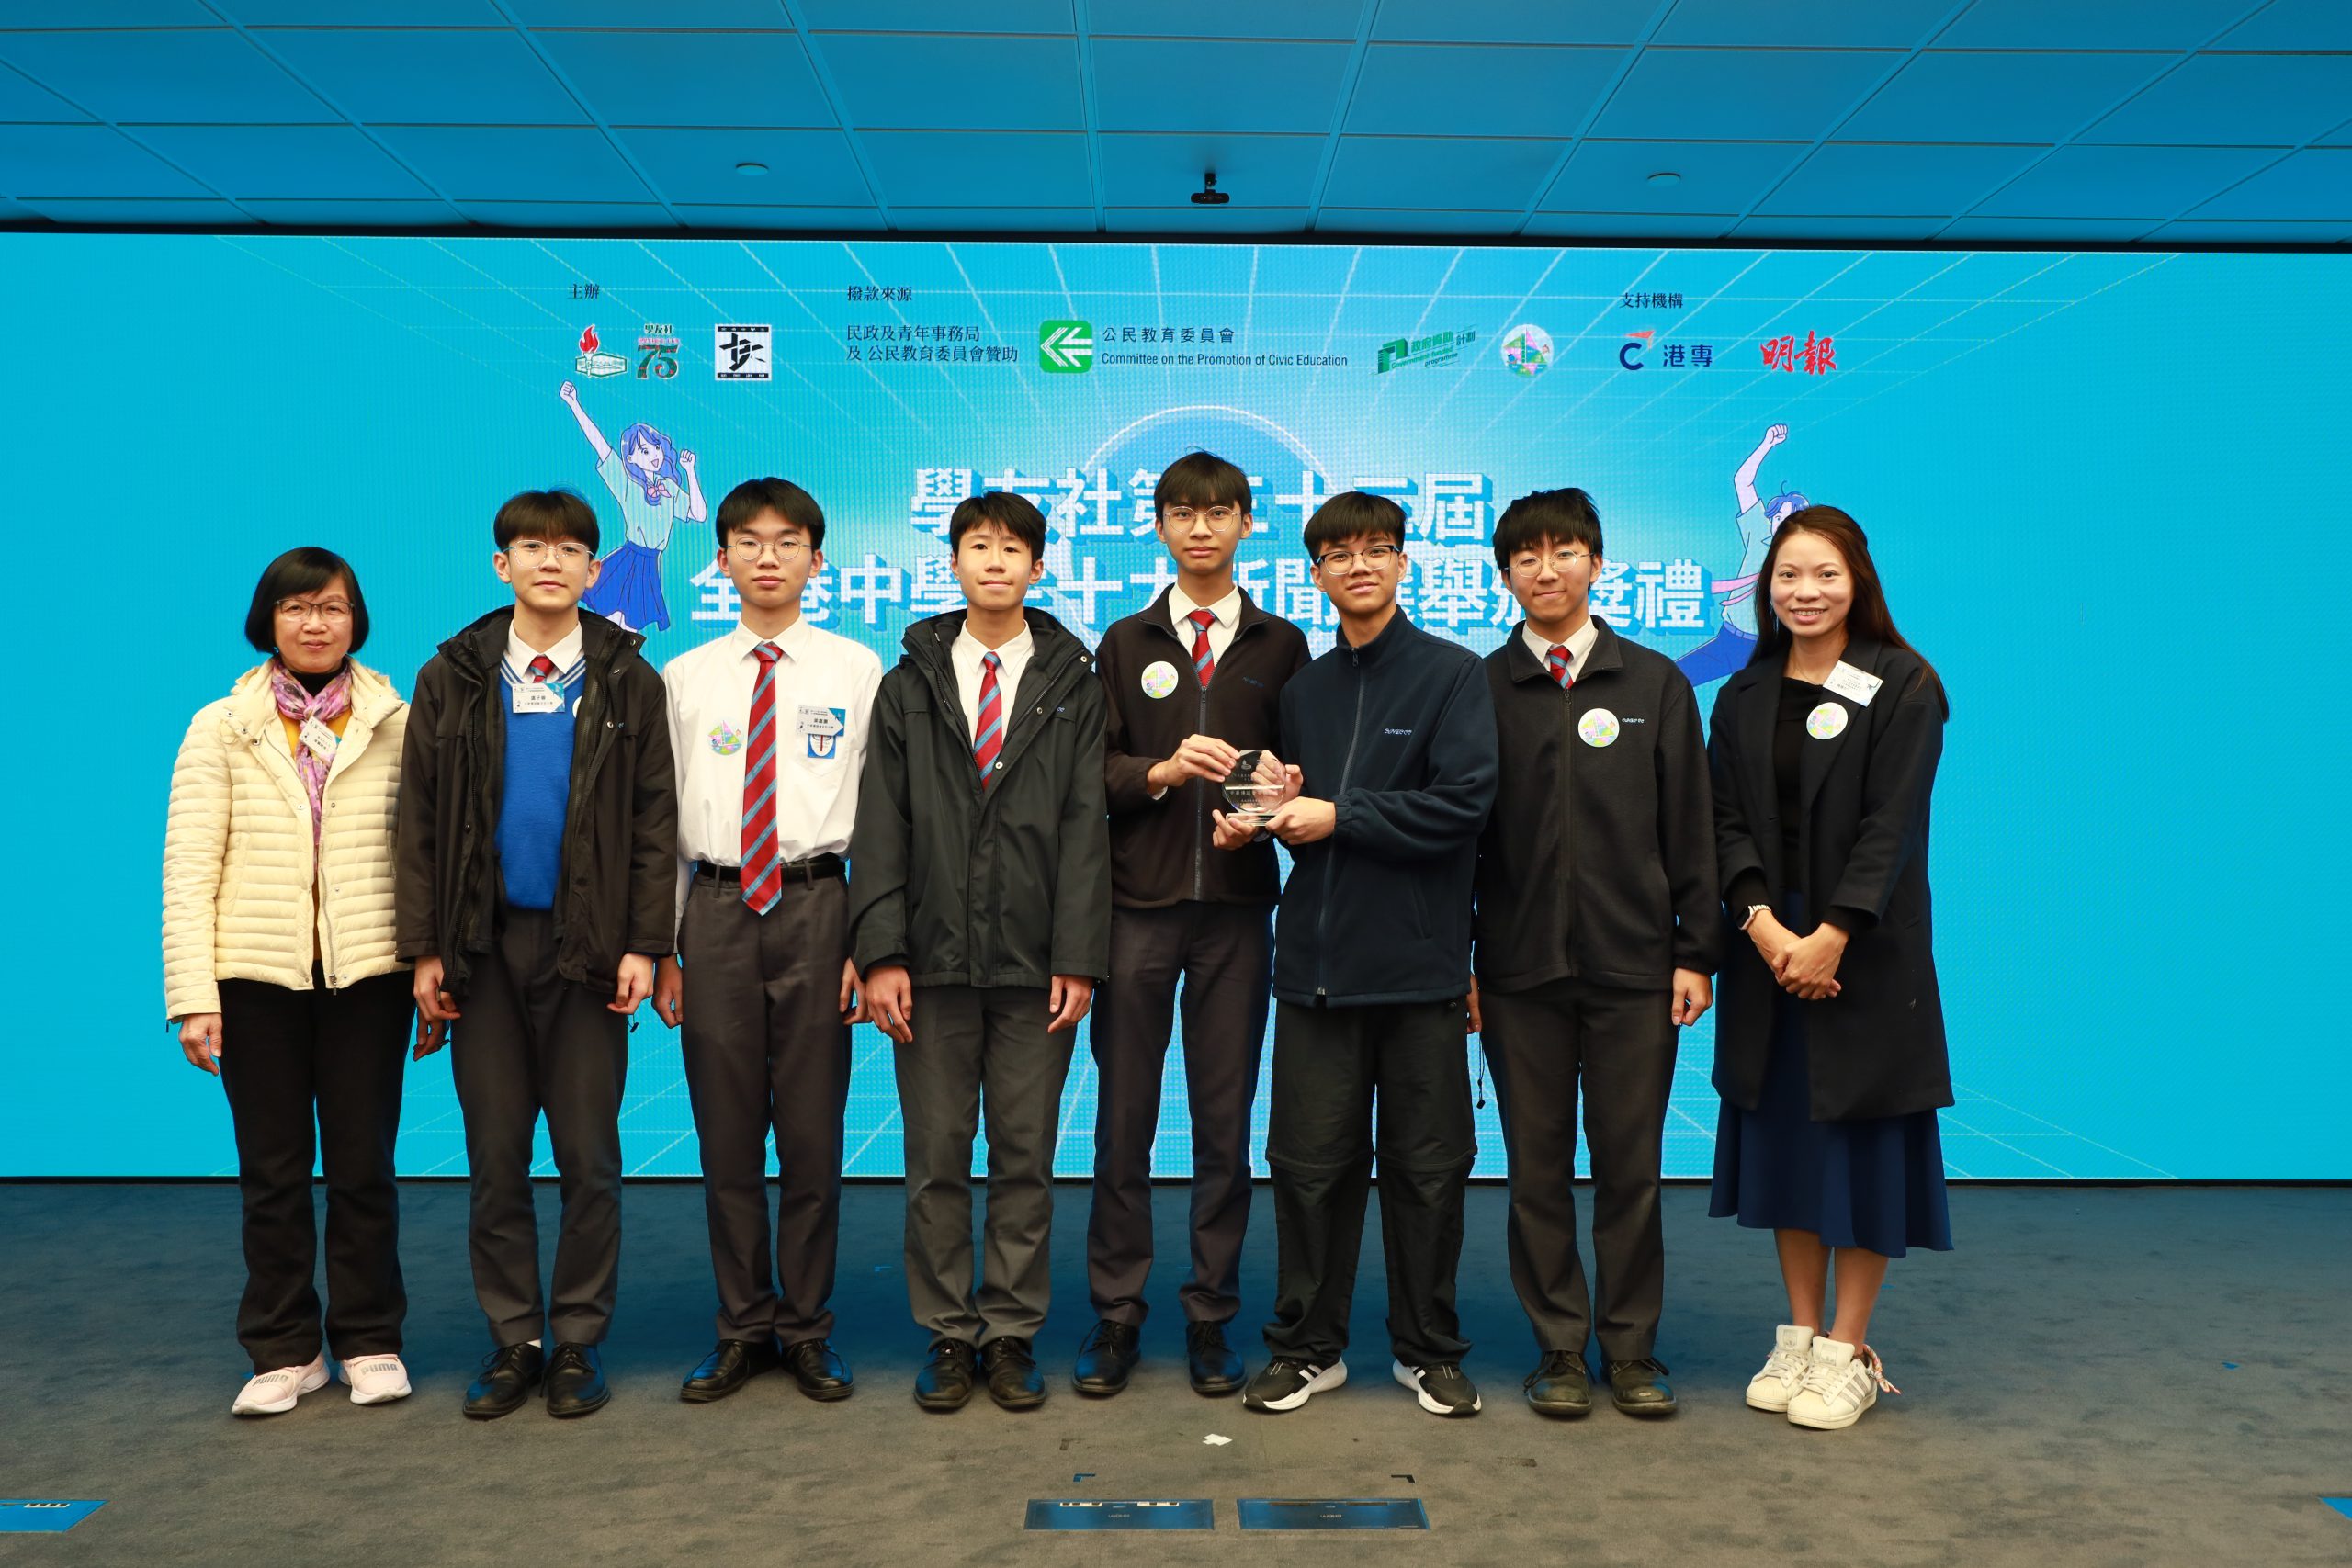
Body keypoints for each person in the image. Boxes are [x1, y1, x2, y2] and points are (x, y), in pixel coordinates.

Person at [1213, 491, 1498, 1419]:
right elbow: (1295, 812)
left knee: (1429, 1171)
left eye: (1377, 549)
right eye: (1339, 555)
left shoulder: (1454, 675)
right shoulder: (1305, 690)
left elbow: (1463, 805)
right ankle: (1307, 1348)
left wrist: (1340, 813)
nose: (1359, 566)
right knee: (1307, 1169)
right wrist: (1259, 818)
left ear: (1404, 563)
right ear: (1317, 574)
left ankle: (1428, 1351)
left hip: (1419, 971)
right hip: (1318, 971)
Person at [395, 489, 677, 1421]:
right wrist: (425, 950)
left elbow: (654, 825)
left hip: (589, 948)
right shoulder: (453, 676)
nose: (548, 562)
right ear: (501, 564)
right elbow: (418, 823)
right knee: (495, 1157)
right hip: (482, 949)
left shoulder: (629, 679)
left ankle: (578, 1340)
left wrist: (646, 944)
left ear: (595, 570)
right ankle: (515, 1338)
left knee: (589, 1157)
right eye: (530, 546)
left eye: (567, 550)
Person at [849, 490, 1112, 1413]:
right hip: (928, 961)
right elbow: (880, 825)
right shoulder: (909, 683)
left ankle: (1009, 1332)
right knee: (936, 1157)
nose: (995, 562)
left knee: (1025, 1156)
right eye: (978, 546)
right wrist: (882, 952)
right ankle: (948, 1334)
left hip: (1037, 964)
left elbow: (1086, 827)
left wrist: (1077, 955)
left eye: (1011, 549)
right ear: (953, 562)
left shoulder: (1073, 681)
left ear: (1038, 567)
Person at [1469, 488, 1720, 1420]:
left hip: (1636, 971)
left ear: (1597, 563)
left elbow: (1691, 828)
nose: (1547, 570)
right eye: (1527, 557)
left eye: (1565, 551)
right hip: (1516, 972)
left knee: (1630, 1168)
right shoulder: (1479, 689)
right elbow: (1460, 840)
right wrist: (1464, 961)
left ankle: (1632, 1349)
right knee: (1535, 1171)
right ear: (1504, 575)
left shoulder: (1654, 683)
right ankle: (1559, 1348)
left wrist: (1695, 953)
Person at [1705, 504, 1951, 1432]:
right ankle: (1801, 1335)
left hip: (1865, 957)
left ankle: (1849, 1349)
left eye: (1825, 574)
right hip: (1769, 956)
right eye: (1787, 575)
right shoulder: (1743, 693)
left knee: (1861, 1146)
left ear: (1858, 582)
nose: (1804, 592)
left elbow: (1893, 824)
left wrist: (1833, 933)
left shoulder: (1904, 683)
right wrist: (1764, 927)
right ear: (1765, 587)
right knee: (1788, 1147)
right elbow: (1723, 820)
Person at [1077, 451, 1310, 1399]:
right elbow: (1091, 773)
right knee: (1122, 1122)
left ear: (1248, 523)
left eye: (1219, 512)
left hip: (1238, 915)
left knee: (1224, 1124)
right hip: (1136, 910)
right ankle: (1116, 1314)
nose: (1201, 528)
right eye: (1183, 512)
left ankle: (1210, 1313)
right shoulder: (1123, 641)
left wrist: (1271, 806)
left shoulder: (1282, 644)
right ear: (1160, 526)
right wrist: (1163, 772)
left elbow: (1300, 773)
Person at [164, 548, 416, 1416]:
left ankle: (370, 1340)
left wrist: (429, 968)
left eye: (332, 607)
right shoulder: (220, 725)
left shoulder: (395, 721)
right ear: (268, 619)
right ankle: (284, 1349)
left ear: (357, 619)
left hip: (368, 976)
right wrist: (193, 994)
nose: (316, 623)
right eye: (297, 607)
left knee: (363, 1168)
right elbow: (188, 867)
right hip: (254, 980)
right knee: (271, 1172)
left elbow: (420, 858)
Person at [652, 478, 880, 1404]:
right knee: (728, 1133)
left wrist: (870, 941)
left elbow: (885, 821)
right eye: (748, 541)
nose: (768, 557)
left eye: (788, 542)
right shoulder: (685, 676)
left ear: (817, 560)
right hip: (712, 910)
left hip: (819, 905)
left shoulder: (857, 670)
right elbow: (661, 824)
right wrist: (665, 947)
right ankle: (743, 1326)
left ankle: (808, 1327)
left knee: (814, 1135)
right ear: (721, 560)